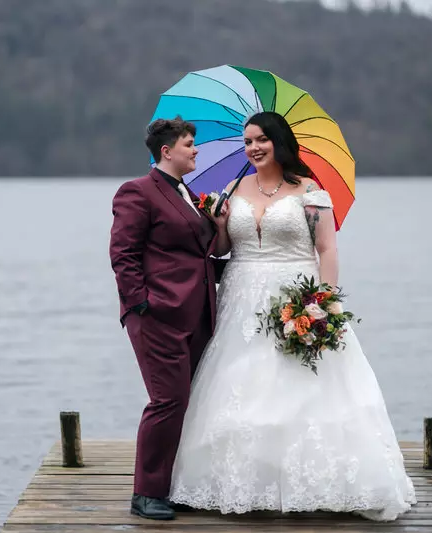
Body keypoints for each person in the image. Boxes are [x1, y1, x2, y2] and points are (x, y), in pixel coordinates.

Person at [169, 111, 417, 521]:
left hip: (295, 293)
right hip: (241, 298)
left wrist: (324, 301)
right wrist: (218, 224)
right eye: (248, 141)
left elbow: (327, 250)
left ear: (279, 142)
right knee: (238, 385)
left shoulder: (309, 191)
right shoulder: (234, 188)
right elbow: (222, 248)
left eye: (262, 139)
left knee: (302, 385)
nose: (254, 148)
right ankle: (244, 483)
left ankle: (317, 483)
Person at [109, 117, 229, 520]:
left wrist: (218, 226)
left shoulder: (188, 195)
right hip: (157, 315)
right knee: (167, 401)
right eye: (190, 144)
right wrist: (141, 305)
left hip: (196, 313)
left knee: (188, 401)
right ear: (167, 151)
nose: (196, 150)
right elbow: (122, 255)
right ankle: (145, 494)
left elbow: (196, 255)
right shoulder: (137, 192)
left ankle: (174, 485)